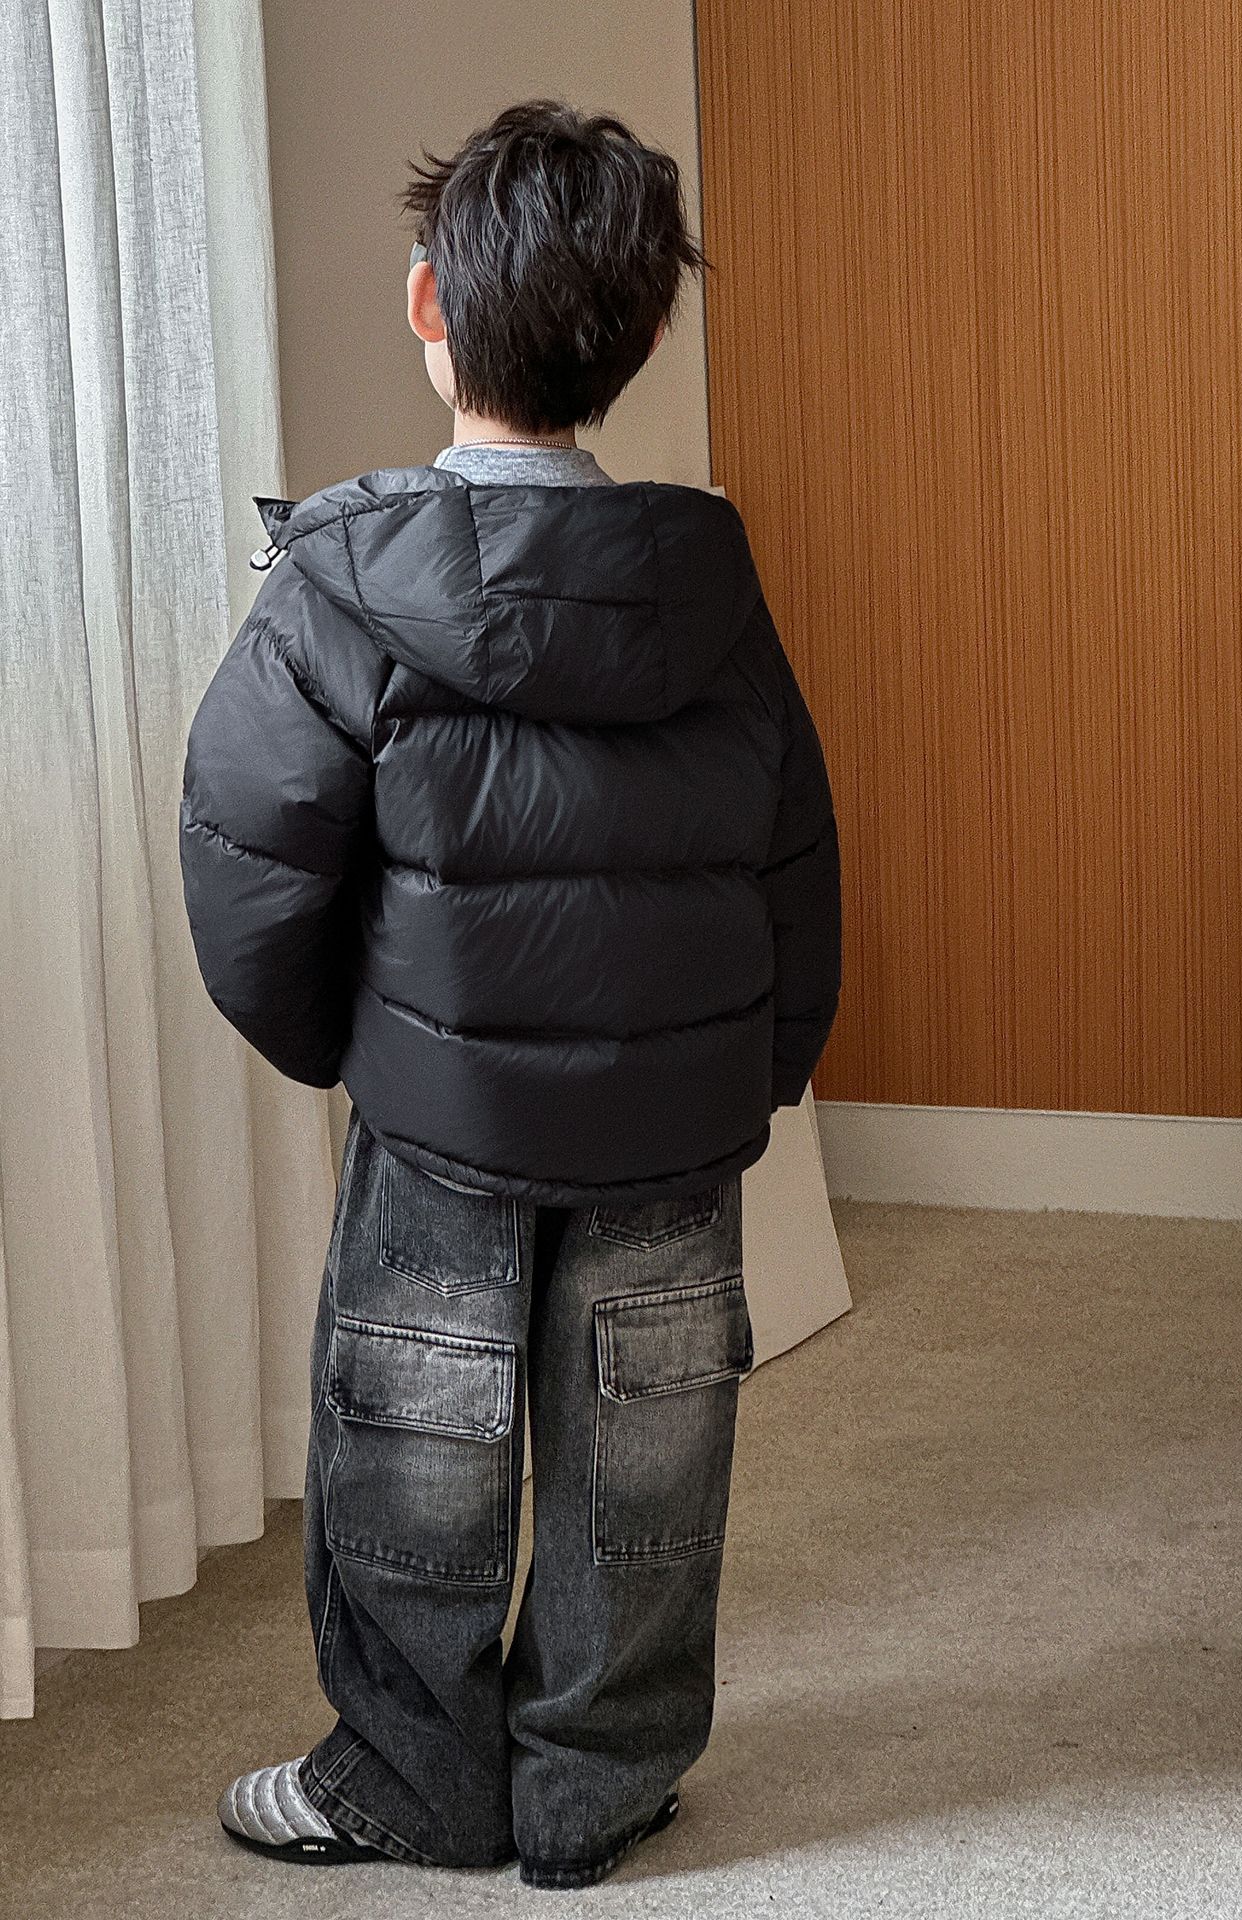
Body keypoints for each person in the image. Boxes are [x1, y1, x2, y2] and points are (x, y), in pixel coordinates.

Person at [180, 98, 841, 1889]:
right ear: (640, 338)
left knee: (416, 1462)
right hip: (672, 1136)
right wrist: (757, 1068)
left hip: (440, 1128)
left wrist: (358, 1052)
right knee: (650, 1471)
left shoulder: (339, 584)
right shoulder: (711, 585)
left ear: (428, 305)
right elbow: (796, 854)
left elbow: (247, 863)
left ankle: (413, 1780)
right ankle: (593, 1790)